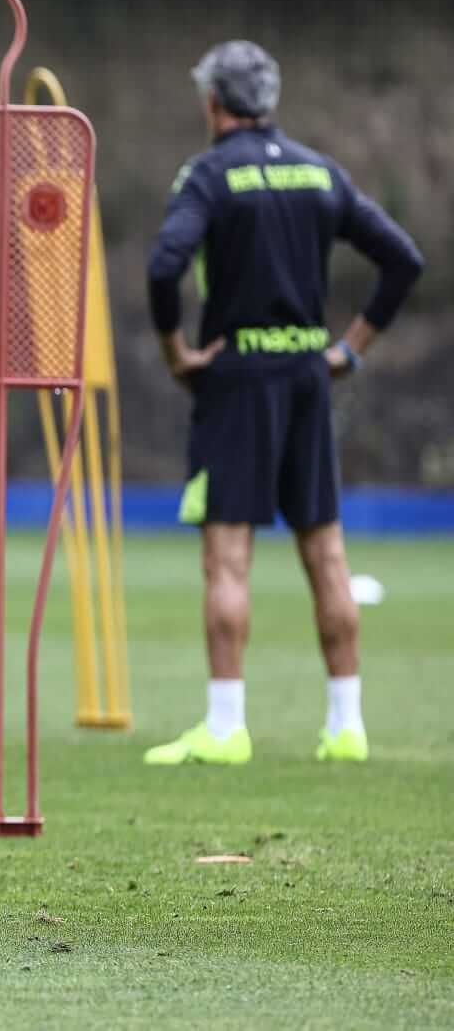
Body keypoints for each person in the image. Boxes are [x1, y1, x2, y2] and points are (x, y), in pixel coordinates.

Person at [143, 40, 423, 766]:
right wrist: (348, 349)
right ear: (269, 100)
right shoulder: (318, 171)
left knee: (227, 560)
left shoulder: (208, 175)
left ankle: (226, 727)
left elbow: (165, 266)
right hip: (306, 374)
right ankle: (346, 726)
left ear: (212, 103)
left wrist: (176, 352)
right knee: (327, 554)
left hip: (237, 377)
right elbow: (402, 259)